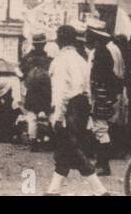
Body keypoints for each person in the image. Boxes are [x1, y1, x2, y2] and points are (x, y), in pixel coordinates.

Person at [46, 24, 109, 196]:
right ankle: (53, 191)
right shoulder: (82, 60)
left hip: (69, 109)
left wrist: (58, 117)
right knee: (66, 150)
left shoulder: (59, 62)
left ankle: (100, 191)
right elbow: (88, 90)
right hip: (82, 107)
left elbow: (61, 93)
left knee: (71, 148)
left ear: (59, 40)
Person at [86, 18, 123, 175]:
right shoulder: (103, 50)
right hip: (103, 93)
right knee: (100, 128)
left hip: (100, 94)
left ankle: (103, 164)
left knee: (101, 128)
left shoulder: (101, 52)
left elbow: (101, 76)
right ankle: (101, 162)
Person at [19, 33, 52, 146]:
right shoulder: (48, 59)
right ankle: (45, 138)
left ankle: (33, 139)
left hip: (32, 90)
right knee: (45, 113)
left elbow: (20, 73)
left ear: (33, 44)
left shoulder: (27, 58)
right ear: (44, 44)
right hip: (46, 90)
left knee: (32, 115)